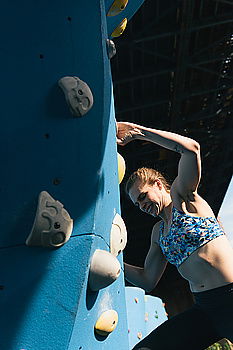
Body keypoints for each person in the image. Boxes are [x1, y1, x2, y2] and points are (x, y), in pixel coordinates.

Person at [116, 121, 233, 350]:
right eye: (136, 204)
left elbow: (191, 149)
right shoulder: (158, 233)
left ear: (158, 184)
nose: (141, 206)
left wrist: (140, 133)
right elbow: (147, 280)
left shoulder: (185, 199)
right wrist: (112, 259)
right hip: (204, 310)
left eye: (142, 196)